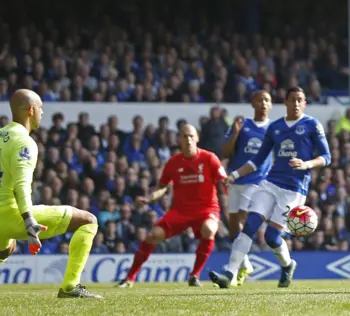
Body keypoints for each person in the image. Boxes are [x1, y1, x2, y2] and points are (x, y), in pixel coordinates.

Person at [209, 86, 331, 288]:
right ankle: (229, 275)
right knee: (249, 225)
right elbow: (257, 160)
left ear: (305, 103)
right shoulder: (275, 128)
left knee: (271, 237)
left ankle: (288, 264)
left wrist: (307, 164)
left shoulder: (312, 125)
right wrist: (235, 174)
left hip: (294, 188)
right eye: (293, 100)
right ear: (286, 102)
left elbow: (327, 157)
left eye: (300, 100)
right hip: (270, 183)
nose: (296, 103)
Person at [0, 89, 101, 298]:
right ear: (30, 110)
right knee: (88, 220)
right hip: (10, 215)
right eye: (40, 108)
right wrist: (29, 222)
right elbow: (21, 185)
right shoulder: (24, 143)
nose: (42, 113)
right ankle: (70, 287)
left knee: (6, 248)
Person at [117, 124, 226, 288]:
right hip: (180, 211)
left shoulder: (209, 158)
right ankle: (129, 278)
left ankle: (194, 275)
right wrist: (149, 198)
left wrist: (230, 184)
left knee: (209, 229)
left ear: (197, 138)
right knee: (153, 235)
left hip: (206, 209)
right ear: (179, 140)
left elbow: (222, 180)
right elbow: (162, 187)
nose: (188, 139)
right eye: (184, 136)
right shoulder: (173, 162)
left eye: (191, 136)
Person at [221, 90, 272, 286]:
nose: (264, 103)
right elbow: (225, 152)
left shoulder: (274, 129)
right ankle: (246, 264)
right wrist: (234, 132)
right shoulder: (243, 125)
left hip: (257, 180)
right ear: (253, 103)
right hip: (235, 180)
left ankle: (232, 270)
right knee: (234, 226)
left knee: (242, 218)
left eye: (267, 100)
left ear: (271, 104)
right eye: (260, 100)